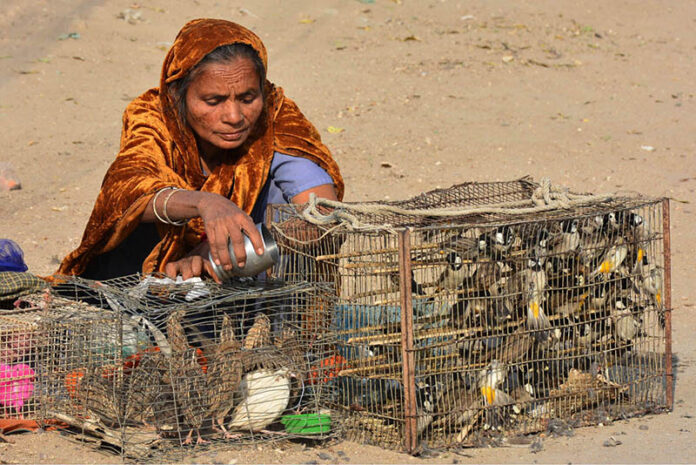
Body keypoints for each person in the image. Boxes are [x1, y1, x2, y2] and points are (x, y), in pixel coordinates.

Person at [57, 19, 343, 282]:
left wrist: (228, 248)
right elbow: (127, 188)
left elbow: (323, 216)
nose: (234, 116)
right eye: (213, 100)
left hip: (242, 272)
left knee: (291, 210)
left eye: (247, 98)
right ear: (177, 95)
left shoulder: (276, 116)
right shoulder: (154, 118)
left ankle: (279, 329)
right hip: (156, 275)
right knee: (137, 216)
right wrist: (206, 204)